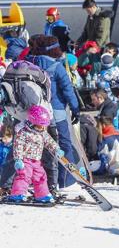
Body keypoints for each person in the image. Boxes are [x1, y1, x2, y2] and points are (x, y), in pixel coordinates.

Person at [27, 35, 79, 190]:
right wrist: (76, 109)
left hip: (35, 111)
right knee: (64, 144)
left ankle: (36, 180)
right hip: (56, 111)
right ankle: (66, 180)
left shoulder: (30, 63)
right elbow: (68, 91)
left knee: (38, 145)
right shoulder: (57, 67)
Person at [7, 106, 64, 203]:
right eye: (39, 125)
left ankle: (42, 195)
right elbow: (18, 146)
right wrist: (18, 159)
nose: (42, 128)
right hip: (25, 160)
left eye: (44, 126)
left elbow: (49, 141)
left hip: (37, 160)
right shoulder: (23, 132)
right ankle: (17, 194)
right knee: (24, 176)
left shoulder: (42, 132)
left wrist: (56, 149)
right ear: (32, 122)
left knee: (41, 176)